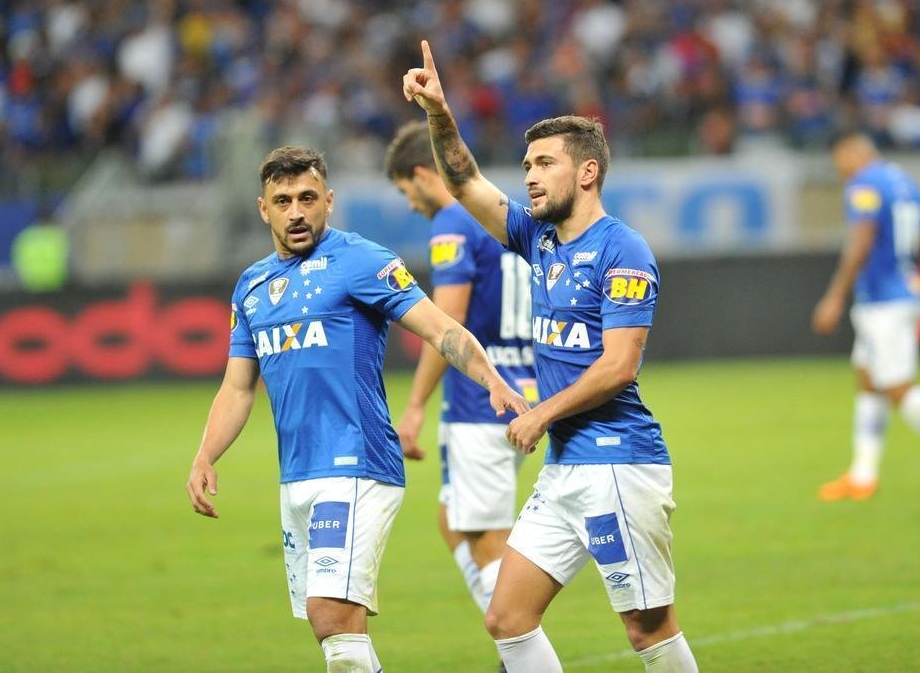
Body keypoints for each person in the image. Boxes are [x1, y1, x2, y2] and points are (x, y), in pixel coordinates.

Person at [403, 41, 699, 673]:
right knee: (507, 619)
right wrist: (438, 113)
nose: (529, 175)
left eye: (543, 163)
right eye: (527, 163)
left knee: (649, 629)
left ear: (586, 173)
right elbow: (464, 182)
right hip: (567, 469)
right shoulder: (538, 238)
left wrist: (540, 413)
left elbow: (619, 367)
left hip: (619, 465)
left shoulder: (624, 251)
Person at [185, 146, 529, 673]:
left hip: (357, 464)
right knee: (336, 629)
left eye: (306, 198)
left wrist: (493, 382)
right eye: (283, 201)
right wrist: (206, 455)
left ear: (328, 201)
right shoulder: (251, 287)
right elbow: (237, 388)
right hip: (298, 474)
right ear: (264, 210)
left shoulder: (363, 261)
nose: (296, 212)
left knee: (331, 611)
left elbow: (441, 329)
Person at [383, 122, 537, 626]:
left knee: (486, 539)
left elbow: (444, 327)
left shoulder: (452, 222)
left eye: (407, 191)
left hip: (480, 402)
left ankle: (519, 648)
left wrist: (414, 406)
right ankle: (513, 640)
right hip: (526, 390)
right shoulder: (503, 216)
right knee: (453, 519)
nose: (410, 204)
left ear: (425, 174)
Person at [812, 132, 920, 501]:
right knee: (868, 379)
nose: (840, 170)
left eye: (839, 161)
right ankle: (862, 475)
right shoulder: (905, 183)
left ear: (853, 152)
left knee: (897, 387)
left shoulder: (865, 185)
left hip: (883, 302)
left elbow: (860, 241)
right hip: (906, 292)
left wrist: (834, 296)